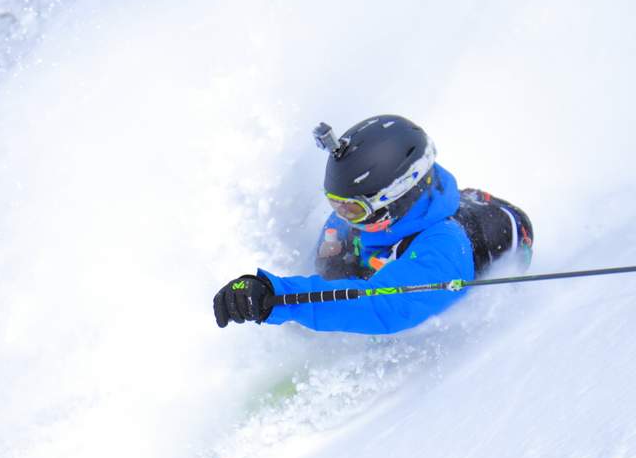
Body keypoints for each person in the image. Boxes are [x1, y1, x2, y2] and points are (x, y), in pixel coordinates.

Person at [212, 115, 534, 334]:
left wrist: (277, 297)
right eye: (335, 203)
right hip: (400, 246)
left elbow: (383, 306)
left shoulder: (445, 249)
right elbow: (330, 275)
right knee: (339, 260)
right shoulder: (365, 219)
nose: (340, 215)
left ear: (397, 197)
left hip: (431, 282)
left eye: (351, 208)